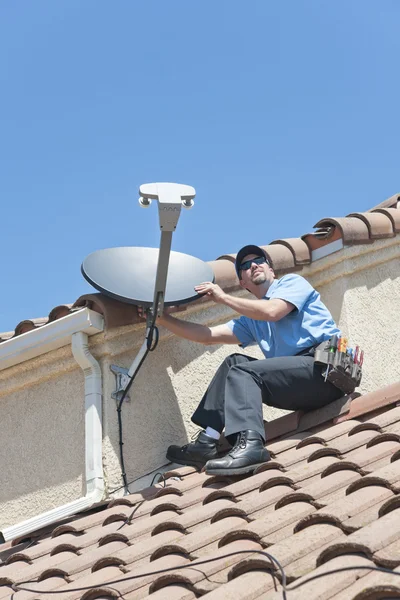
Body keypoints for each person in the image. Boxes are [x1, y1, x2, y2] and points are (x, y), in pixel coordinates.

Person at [156, 244, 343, 476]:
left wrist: (224, 298)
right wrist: (162, 319)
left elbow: (273, 311)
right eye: (245, 266)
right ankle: (207, 442)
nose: (253, 265)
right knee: (234, 363)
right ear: (243, 283)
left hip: (324, 373)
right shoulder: (251, 319)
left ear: (271, 270)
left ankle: (251, 446)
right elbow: (207, 336)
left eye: (259, 260)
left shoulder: (292, 283)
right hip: (298, 382)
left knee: (244, 372)